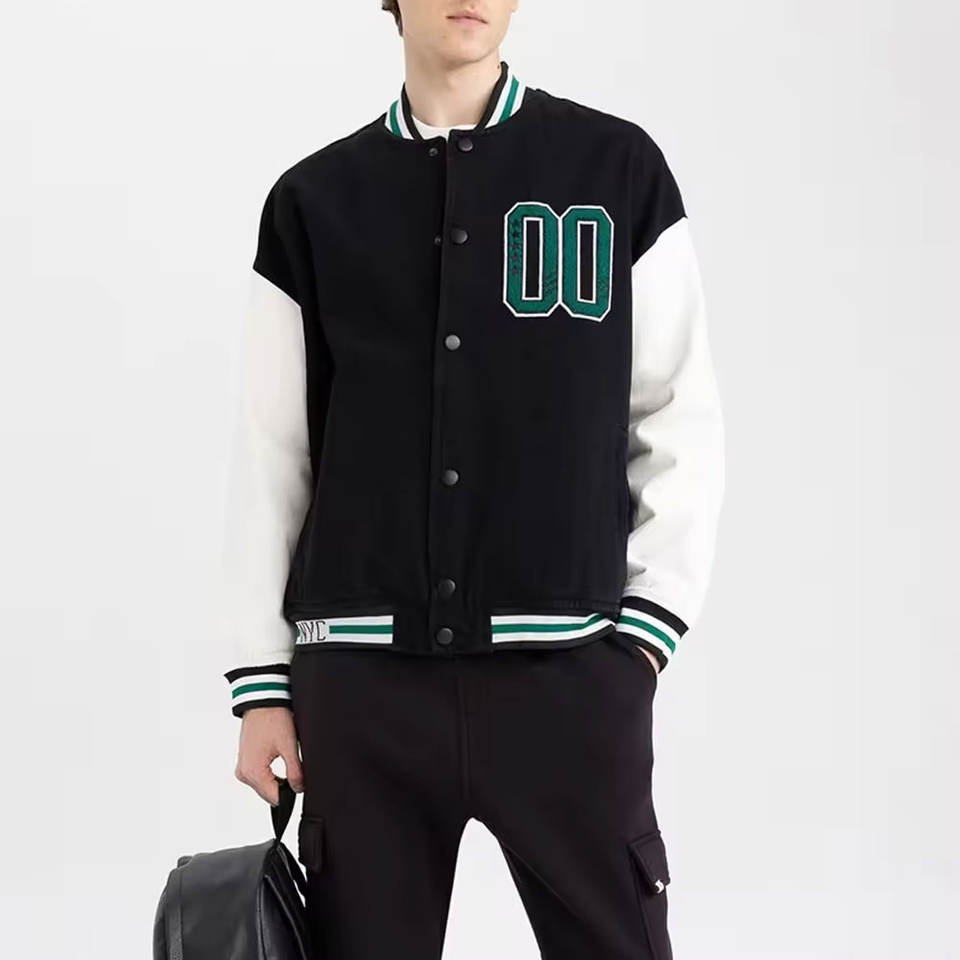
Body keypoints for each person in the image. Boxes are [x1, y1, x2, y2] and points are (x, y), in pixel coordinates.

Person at [218, 2, 725, 956]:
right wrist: (262, 686)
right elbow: (273, 450)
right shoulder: (312, 203)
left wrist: (639, 644)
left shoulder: (616, 172)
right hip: (363, 695)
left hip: (568, 681)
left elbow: (676, 413)